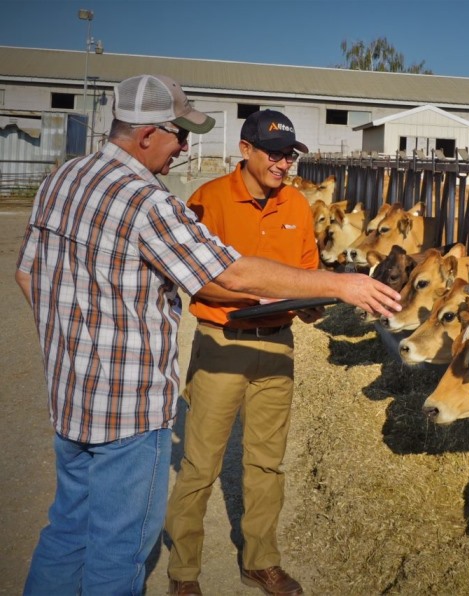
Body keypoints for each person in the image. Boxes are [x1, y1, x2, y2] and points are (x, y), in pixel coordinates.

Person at [15, 75, 400, 596]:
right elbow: (227, 275)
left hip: (74, 394)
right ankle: (185, 572)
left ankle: (260, 557)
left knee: (68, 531)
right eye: (180, 134)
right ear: (148, 132)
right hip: (133, 402)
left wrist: (79, 340)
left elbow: (28, 274)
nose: (186, 146)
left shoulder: (64, 179)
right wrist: (341, 283)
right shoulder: (152, 201)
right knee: (119, 544)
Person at [164, 109, 324, 596]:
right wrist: (254, 297)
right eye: (274, 154)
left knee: (266, 463)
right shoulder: (207, 201)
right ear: (246, 150)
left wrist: (313, 304)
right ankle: (184, 572)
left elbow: (308, 273)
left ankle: (261, 561)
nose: (283, 164)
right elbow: (193, 279)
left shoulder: (297, 205)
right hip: (221, 345)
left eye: (289, 155)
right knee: (200, 466)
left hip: (277, 347)